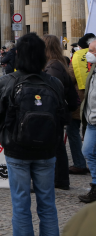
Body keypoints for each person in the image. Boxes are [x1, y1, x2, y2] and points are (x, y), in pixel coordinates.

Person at [0, 33, 65, 234]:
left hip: (17, 149)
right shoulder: (54, 83)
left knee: (21, 204)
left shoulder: (6, 82)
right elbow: (62, 117)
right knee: (47, 204)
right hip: (47, 150)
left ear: (18, 55)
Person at [42, 34, 80, 191]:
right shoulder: (57, 63)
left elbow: (53, 91)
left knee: (56, 146)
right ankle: (60, 179)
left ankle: (60, 179)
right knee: (57, 146)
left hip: (54, 112)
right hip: (57, 112)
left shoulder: (53, 66)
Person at [68, 35, 92, 175]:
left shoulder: (77, 56)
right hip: (93, 99)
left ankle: (79, 163)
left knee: (73, 131)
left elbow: (70, 77)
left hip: (80, 98)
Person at [80, 38, 96, 203]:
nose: (89, 55)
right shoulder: (93, 70)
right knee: (88, 152)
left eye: (92, 51)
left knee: (89, 151)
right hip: (91, 120)